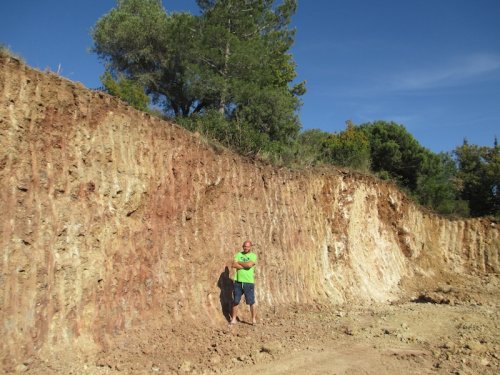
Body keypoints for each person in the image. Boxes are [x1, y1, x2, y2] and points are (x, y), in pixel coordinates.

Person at [230, 240, 257, 325]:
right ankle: (233, 319)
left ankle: (253, 320)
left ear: (250, 247)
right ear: (243, 246)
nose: (246, 248)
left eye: (248, 246)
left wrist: (240, 263)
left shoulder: (253, 255)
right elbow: (233, 265)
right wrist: (245, 265)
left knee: (251, 301)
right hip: (238, 281)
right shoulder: (238, 254)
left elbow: (250, 265)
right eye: (245, 246)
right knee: (236, 301)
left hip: (248, 282)